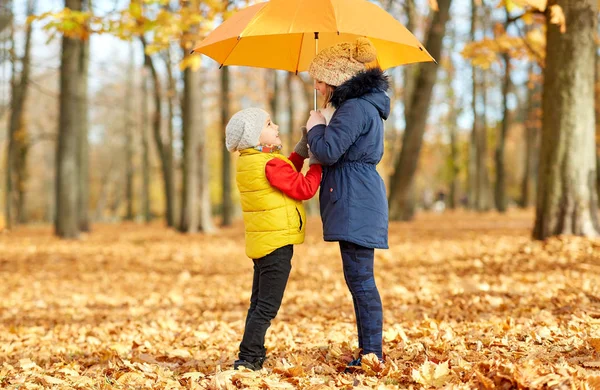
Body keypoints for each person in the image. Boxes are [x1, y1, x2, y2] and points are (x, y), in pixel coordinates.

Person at [306, 37, 390, 368]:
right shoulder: (357, 107)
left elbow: (327, 152)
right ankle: (369, 349)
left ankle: (372, 352)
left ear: (336, 78)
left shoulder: (355, 108)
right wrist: (326, 120)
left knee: (361, 280)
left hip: (356, 200)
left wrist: (315, 127)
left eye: (320, 79)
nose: (316, 85)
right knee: (358, 279)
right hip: (355, 196)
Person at [225, 108, 322, 370]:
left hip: (263, 243)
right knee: (267, 307)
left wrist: (302, 148)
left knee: (257, 304)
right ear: (256, 137)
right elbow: (304, 187)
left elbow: (286, 171)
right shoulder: (269, 163)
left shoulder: (251, 160)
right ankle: (248, 359)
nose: (276, 126)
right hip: (276, 244)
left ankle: (251, 353)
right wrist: (318, 162)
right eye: (269, 124)